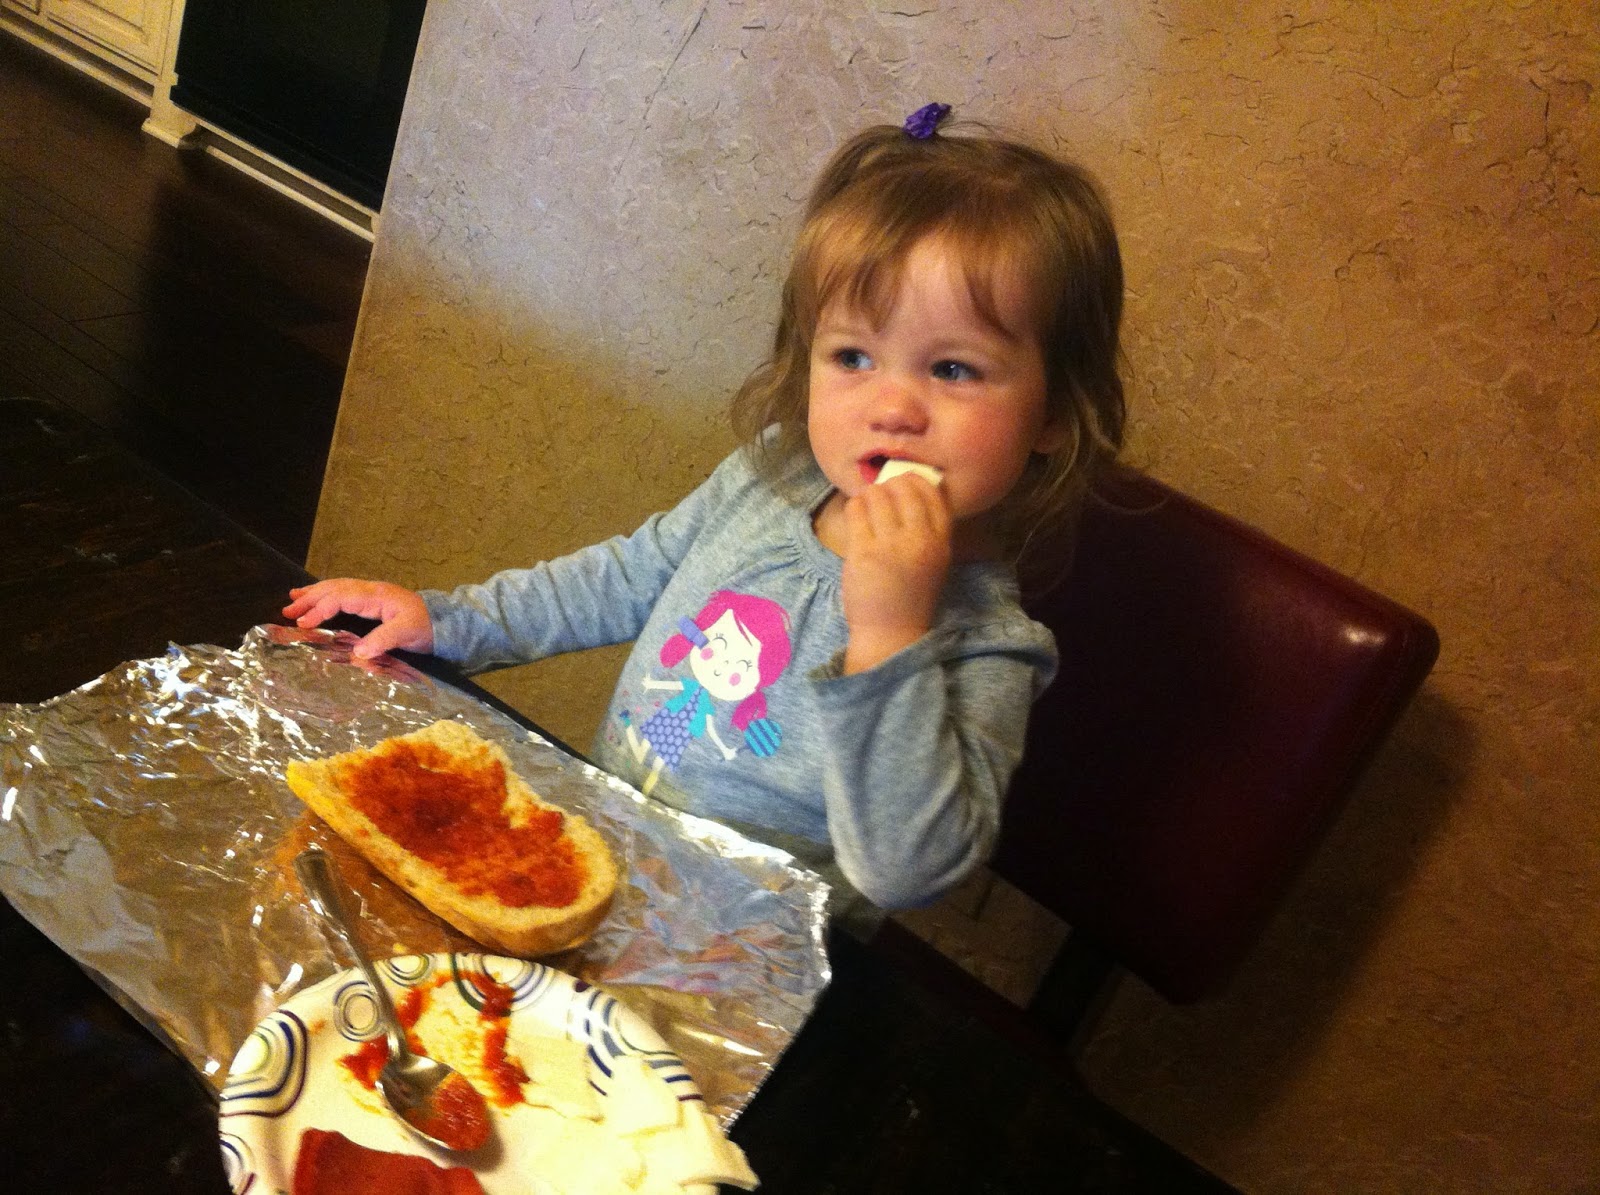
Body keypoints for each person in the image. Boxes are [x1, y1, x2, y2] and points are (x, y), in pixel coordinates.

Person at [283, 103, 1126, 928]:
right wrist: (451, 621)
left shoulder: (989, 642)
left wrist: (890, 635)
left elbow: (909, 871)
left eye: (953, 369)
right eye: (853, 355)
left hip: (741, 960)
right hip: (598, 873)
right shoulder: (773, 477)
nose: (893, 406)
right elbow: (623, 578)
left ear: (1056, 411)